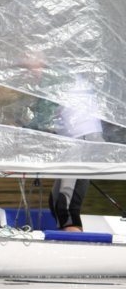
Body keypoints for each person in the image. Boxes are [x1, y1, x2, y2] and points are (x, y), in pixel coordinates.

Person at [49, 74, 105, 232]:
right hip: (74, 141)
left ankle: (75, 243)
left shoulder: (57, 75)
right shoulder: (55, 78)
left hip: (82, 138)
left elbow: (41, 118)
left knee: (65, 206)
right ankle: (67, 238)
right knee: (55, 202)